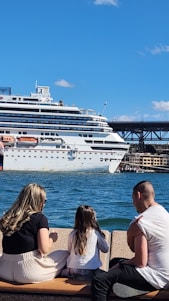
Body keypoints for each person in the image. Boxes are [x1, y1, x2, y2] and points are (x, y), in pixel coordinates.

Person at [91, 180, 169, 300]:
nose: (133, 204)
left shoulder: (141, 221)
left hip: (157, 277)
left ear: (138, 195)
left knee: (99, 281)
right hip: (166, 274)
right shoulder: (164, 214)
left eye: (133, 199)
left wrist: (130, 233)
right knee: (114, 262)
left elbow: (140, 262)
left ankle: (143, 286)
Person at [0, 183, 68, 283]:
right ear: (38, 201)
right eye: (44, 201)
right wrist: (52, 238)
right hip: (28, 272)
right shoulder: (40, 218)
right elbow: (44, 249)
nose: (44, 204)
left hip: (4, 270)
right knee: (65, 254)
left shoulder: (8, 217)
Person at [61, 205, 109, 279]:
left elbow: (69, 250)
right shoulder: (95, 233)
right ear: (93, 219)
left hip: (74, 270)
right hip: (91, 270)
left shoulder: (72, 234)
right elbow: (105, 249)